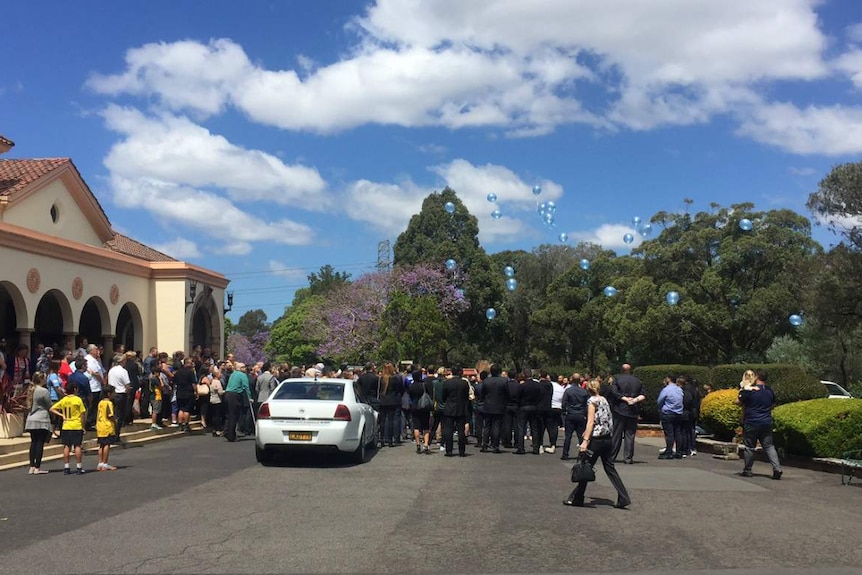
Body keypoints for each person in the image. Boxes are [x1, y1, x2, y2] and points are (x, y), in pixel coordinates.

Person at [564, 378, 631, 509]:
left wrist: (585, 441)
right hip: (607, 438)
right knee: (609, 468)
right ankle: (623, 496)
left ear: (587, 389)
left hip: (596, 439)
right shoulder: (604, 400)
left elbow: (590, 422)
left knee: (585, 466)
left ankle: (578, 498)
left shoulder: (591, 401)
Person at [736, 370, 783, 480]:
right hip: (766, 422)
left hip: (751, 422)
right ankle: (777, 469)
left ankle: (748, 470)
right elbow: (772, 405)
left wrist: (743, 388)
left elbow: (738, 402)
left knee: (749, 447)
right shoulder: (769, 391)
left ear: (756, 377)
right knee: (769, 446)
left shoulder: (750, 391)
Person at [49, 381, 88, 475]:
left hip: (66, 425)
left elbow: (52, 409)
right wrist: (83, 426)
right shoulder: (78, 400)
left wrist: (62, 415)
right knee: (77, 446)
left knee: (66, 446)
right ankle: (79, 467)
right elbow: (82, 414)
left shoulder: (64, 400)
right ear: (74, 389)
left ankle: (66, 467)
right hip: (76, 424)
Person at [610, 363, 646, 464]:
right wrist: (633, 400)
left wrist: (625, 399)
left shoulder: (616, 378)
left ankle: (612, 456)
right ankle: (628, 458)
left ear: (621, 370)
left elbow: (614, 392)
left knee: (616, 434)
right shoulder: (638, 381)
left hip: (619, 409)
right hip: (633, 410)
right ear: (630, 370)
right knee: (630, 435)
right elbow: (643, 395)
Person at [24, 372, 53, 475]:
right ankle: (37, 467)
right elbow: (49, 405)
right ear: (41, 379)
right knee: (40, 443)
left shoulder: (31, 389)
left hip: (31, 419)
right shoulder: (44, 391)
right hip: (41, 419)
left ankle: (31, 466)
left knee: (33, 442)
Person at [441, 366, 470, 457]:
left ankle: (449, 450)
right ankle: (462, 450)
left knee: (448, 430)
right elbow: (466, 396)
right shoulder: (464, 383)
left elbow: (443, 396)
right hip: (461, 408)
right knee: (461, 430)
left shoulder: (447, 383)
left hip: (449, 408)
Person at [479, 364, 509, 453]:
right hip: (499, 406)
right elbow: (507, 394)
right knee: (496, 426)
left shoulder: (486, 381)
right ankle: (495, 446)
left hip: (488, 406)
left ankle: (484, 444)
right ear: (499, 372)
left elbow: (482, 394)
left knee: (487, 426)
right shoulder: (504, 381)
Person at [560, 378, 589, 460]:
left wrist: (564, 411)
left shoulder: (568, 391)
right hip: (580, 414)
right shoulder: (584, 391)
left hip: (571, 414)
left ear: (572, 380)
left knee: (568, 436)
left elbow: (564, 402)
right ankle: (582, 454)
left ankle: (565, 454)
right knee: (581, 436)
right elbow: (586, 403)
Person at [657, 374, 685, 460]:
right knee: (678, 433)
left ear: (668, 379)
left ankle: (669, 452)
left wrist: (661, 409)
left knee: (669, 434)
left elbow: (660, 401)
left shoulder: (666, 390)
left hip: (668, 413)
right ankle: (679, 452)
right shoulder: (679, 389)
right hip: (678, 413)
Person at [377, 362, 404, 448]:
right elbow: (400, 389)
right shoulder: (395, 379)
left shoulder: (381, 379)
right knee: (391, 420)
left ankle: (382, 438)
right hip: (393, 400)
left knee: (383, 420)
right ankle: (390, 440)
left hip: (383, 401)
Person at [223, 362, 252, 442]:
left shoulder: (233, 374)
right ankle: (231, 435)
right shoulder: (242, 375)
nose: (245, 369)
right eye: (243, 367)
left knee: (228, 414)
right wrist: (249, 397)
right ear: (240, 368)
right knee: (233, 415)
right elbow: (246, 387)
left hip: (227, 394)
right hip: (235, 395)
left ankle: (226, 431)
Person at [407, 369, 433, 454]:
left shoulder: (411, 386)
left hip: (415, 407)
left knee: (416, 426)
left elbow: (409, 395)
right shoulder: (424, 385)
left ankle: (418, 444)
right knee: (426, 427)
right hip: (424, 407)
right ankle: (425, 444)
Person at [515, 372, 541, 455]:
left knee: (521, 428)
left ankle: (521, 448)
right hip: (534, 407)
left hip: (523, 407)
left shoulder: (522, 386)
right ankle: (536, 448)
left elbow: (518, 397)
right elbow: (540, 396)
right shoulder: (537, 385)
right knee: (534, 428)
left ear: (524, 376)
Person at [106, 354, 130, 441]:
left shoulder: (111, 370)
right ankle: (116, 435)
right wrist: (128, 392)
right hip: (120, 394)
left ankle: (111, 433)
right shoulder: (123, 371)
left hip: (112, 394)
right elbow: (127, 384)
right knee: (119, 416)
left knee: (112, 415)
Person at [96, 386, 118, 471]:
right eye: (113, 393)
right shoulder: (109, 403)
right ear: (109, 394)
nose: (114, 394)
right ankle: (105, 463)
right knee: (107, 445)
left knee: (101, 445)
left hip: (100, 425)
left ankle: (100, 463)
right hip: (107, 426)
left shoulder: (100, 402)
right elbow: (110, 415)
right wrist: (115, 421)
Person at [148, 363, 167, 430]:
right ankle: (153, 423)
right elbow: (161, 386)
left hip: (154, 396)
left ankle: (155, 423)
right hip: (156, 396)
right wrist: (160, 379)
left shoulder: (151, 378)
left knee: (156, 410)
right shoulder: (154, 379)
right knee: (155, 411)